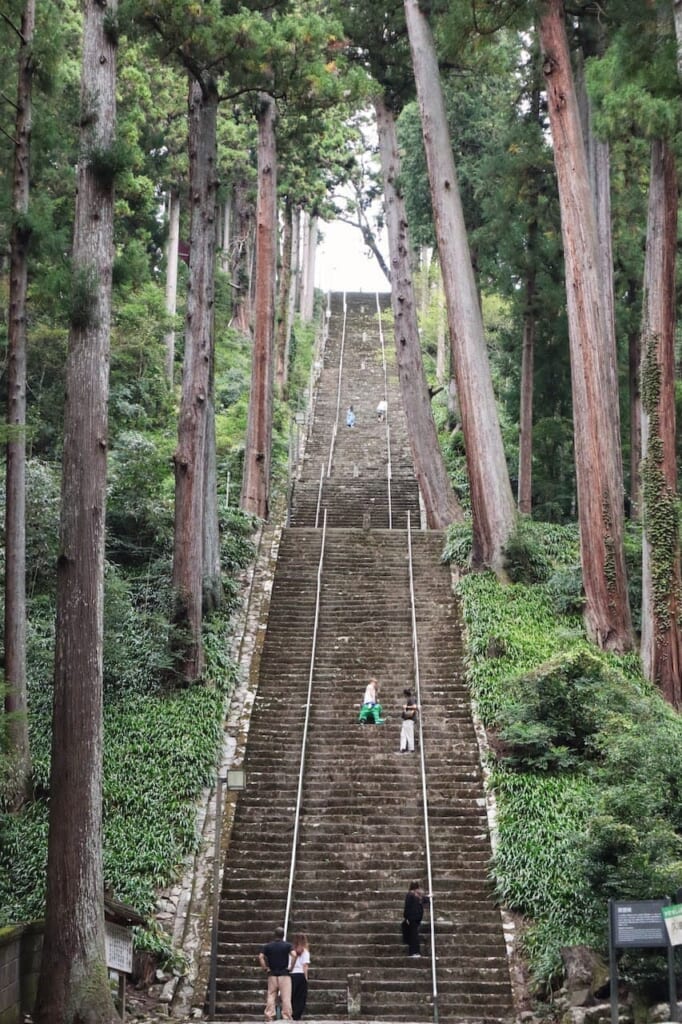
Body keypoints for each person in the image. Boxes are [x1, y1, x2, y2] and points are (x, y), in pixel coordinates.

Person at [258, 925, 293, 1020]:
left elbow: (260, 956)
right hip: (284, 974)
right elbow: (294, 955)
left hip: (272, 974)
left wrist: (265, 968)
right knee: (286, 997)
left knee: (271, 995)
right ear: (283, 935)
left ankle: (269, 1016)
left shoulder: (268, 946)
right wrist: (291, 967)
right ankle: (286, 1016)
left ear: (275, 935)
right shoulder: (287, 945)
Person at [402, 880, 428, 957]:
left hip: (411, 918)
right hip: (418, 918)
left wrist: (406, 917)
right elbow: (425, 900)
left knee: (413, 935)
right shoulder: (419, 895)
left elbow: (407, 907)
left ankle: (414, 952)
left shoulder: (410, 895)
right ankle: (416, 951)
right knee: (415, 934)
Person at [289, 932, 310, 1019]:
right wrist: (306, 978)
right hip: (300, 975)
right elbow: (305, 966)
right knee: (300, 997)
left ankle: (291, 1013)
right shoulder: (305, 952)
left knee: (292, 995)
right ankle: (297, 1014)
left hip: (292, 975)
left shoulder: (290, 951)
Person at [400, 688, 419, 752]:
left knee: (409, 734)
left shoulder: (411, 699)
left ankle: (411, 748)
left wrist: (406, 707)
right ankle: (403, 747)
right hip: (407, 719)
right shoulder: (410, 699)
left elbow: (415, 706)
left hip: (409, 719)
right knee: (403, 734)